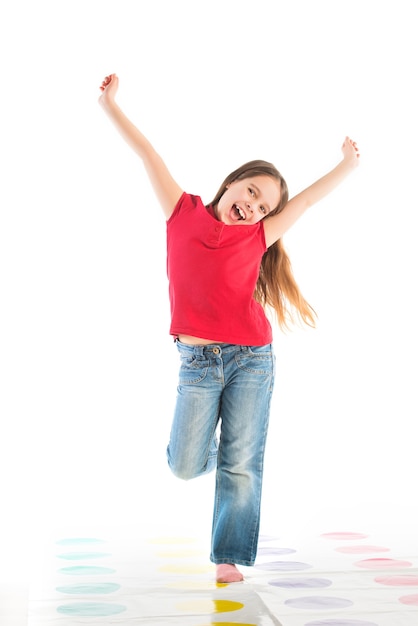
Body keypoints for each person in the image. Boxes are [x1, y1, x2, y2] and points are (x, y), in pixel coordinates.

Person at [98, 73, 360, 583]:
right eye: (252, 192)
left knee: (242, 464)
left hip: (251, 359)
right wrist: (110, 104)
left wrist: (346, 166)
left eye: (264, 207)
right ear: (232, 181)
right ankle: (233, 456)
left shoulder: (257, 237)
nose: (254, 208)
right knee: (185, 464)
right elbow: (147, 152)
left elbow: (304, 201)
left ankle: (228, 558)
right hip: (197, 362)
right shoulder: (183, 211)